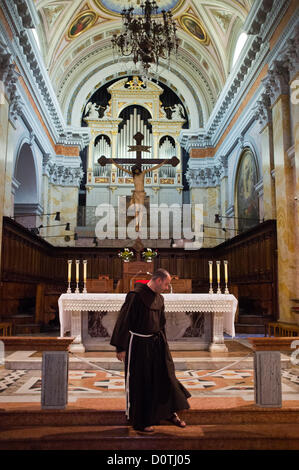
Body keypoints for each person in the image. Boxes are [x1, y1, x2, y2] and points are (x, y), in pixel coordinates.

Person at [110, 268, 191, 432]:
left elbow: (161, 323)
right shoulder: (135, 296)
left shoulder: (160, 298)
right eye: (166, 284)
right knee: (141, 382)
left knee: (166, 376)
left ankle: (169, 412)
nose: (167, 288)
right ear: (158, 280)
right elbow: (124, 320)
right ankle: (141, 421)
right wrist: (121, 347)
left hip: (157, 343)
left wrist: (164, 345)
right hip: (138, 344)